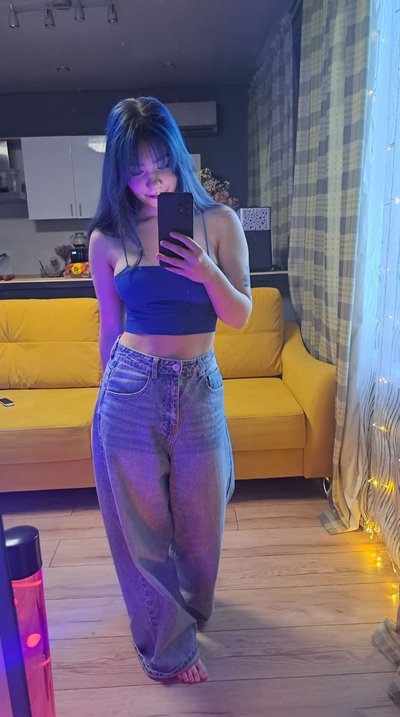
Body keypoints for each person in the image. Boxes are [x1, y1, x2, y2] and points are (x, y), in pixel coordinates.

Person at [89, 96, 252, 685]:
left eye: (160, 165)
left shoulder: (219, 222)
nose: (152, 181)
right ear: (119, 174)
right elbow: (110, 328)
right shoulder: (108, 239)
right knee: (144, 532)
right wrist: (103, 398)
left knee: (203, 527)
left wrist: (205, 269)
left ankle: (189, 615)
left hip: (199, 384)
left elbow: (239, 315)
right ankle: (168, 647)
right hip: (130, 389)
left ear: (178, 156)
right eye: (136, 172)